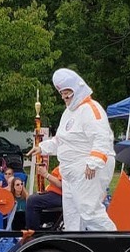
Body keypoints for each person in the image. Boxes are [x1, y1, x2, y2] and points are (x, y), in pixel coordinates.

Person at [27, 68, 117, 231]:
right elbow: (62, 140)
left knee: (89, 212)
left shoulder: (91, 109)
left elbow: (101, 137)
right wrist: (42, 147)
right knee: (72, 216)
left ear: (77, 88)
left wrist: (94, 162)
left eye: (67, 93)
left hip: (87, 169)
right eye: (62, 93)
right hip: (70, 172)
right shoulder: (68, 113)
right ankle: (76, 248)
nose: (64, 97)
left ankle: (112, 244)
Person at [25, 164, 63, 230]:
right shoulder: (65, 163)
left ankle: (33, 232)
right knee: (33, 197)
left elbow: (61, 184)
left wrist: (46, 174)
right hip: (55, 193)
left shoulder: (67, 164)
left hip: (61, 196)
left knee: (32, 201)